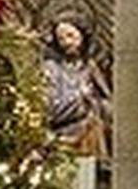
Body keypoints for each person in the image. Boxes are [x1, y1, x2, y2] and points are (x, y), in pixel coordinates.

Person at [41, 19, 110, 158]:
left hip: (91, 135)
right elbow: (49, 109)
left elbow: (107, 101)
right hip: (63, 135)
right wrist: (80, 97)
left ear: (82, 36)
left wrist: (96, 104)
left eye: (70, 35)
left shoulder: (90, 67)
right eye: (61, 38)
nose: (66, 42)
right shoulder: (52, 68)